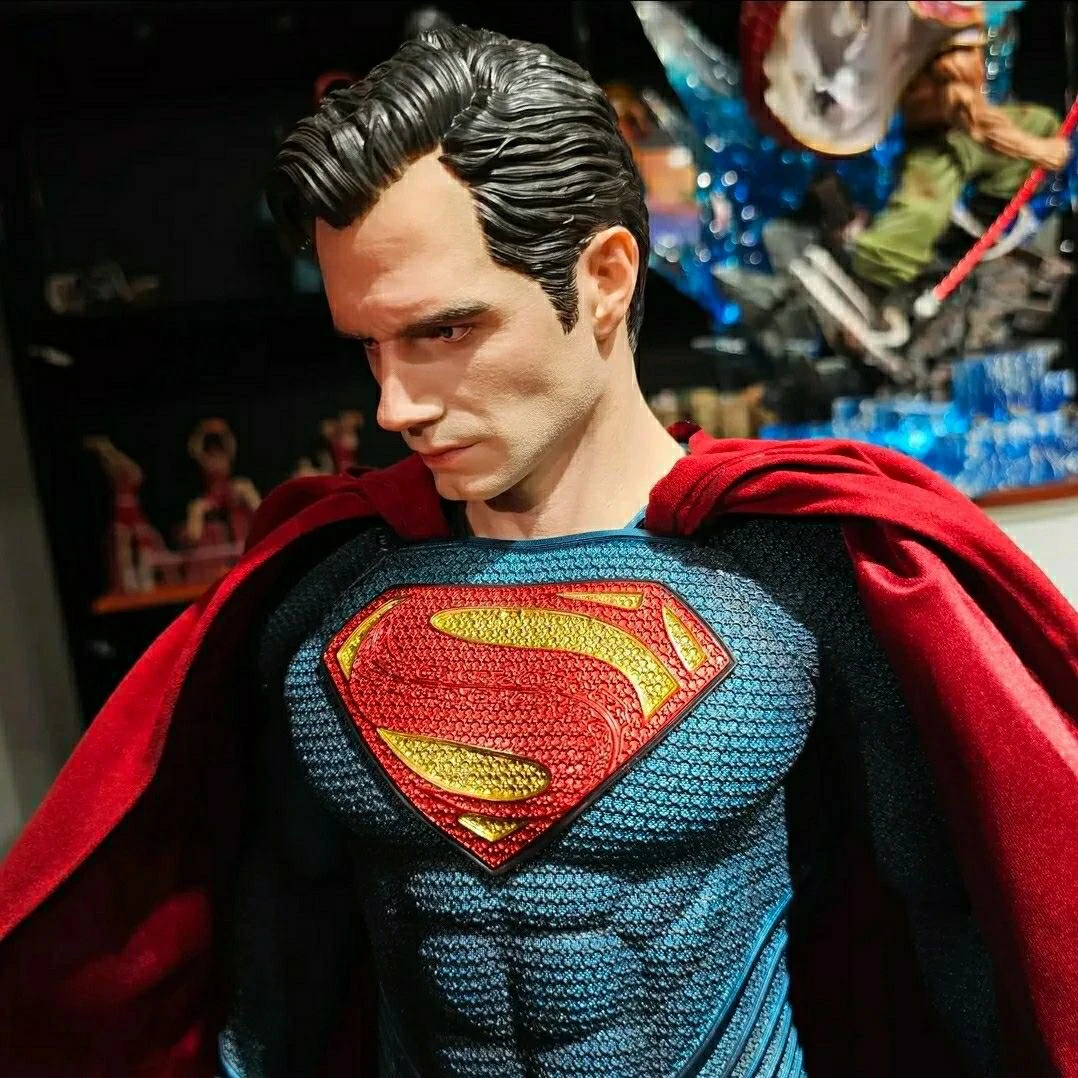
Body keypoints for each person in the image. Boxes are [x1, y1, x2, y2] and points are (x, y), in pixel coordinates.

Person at [1, 25, 1077, 1078]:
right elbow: (282, 946)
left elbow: (956, 918)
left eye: (444, 331)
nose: (395, 406)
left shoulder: (798, 572)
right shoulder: (325, 594)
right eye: (370, 345)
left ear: (604, 276)